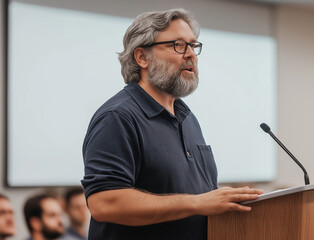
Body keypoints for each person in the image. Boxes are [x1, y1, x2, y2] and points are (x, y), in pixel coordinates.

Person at [81, 8, 263, 240]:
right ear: (142, 57)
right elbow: (104, 203)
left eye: (193, 46)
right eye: (178, 45)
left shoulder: (187, 118)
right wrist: (196, 203)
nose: (191, 55)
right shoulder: (118, 117)